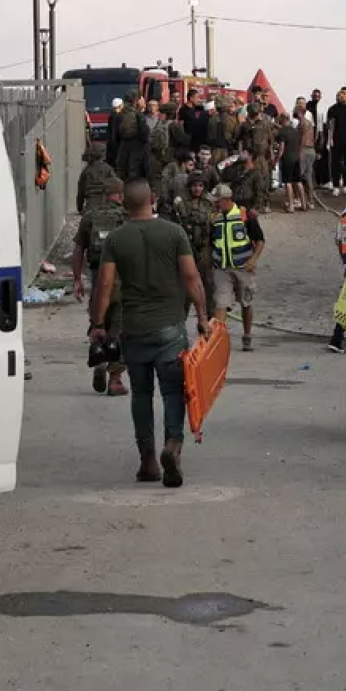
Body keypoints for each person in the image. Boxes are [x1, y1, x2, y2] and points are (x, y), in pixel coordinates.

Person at [91, 178, 209, 488]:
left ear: (124, 204)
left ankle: (147, 461)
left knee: (141, 395)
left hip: (134, 331)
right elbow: (191, 277)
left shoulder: (116, 240)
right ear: (152, 200)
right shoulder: (174, 233)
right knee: (173, 391)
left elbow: (104, 286)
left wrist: (98, 324)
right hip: (170, 330)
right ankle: (173, 446)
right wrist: (203, 317)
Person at [72, 177, 129, 396]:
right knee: (120, 330)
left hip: (98, 282)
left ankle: (99, 362)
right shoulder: (125, 217)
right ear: (120, 195)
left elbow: (79, 250)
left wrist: (77, 279)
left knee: (98, 324)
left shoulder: (89, 217)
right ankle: (115, 379)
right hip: (122, 282)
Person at [210, 184, 266, 352]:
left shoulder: (244, 215)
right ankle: (218, 342)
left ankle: (247, 336)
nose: (215, 204)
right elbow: (210, 243)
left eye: (218, 201)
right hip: (222, 268)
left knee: (246, 302)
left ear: (226, 200)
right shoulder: (214, 218)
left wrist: (253, 259)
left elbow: (260, 240)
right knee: (220, 303)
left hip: (243, 268)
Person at [175, 170, 215, 313]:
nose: (197, 189)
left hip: (204, 249)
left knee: (208, 286)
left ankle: (210, 320)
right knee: (185, 287)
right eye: (194, 186)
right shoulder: (180, 203)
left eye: (200, 185)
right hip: (186, 249)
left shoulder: (209, 202)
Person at [328, 193, 346, 353]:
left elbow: (338, 241)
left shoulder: (344, 219)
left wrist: (345, 263)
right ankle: (336, 339)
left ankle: (336, 339)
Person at [238, 104, 273, 213]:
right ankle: (253, 204)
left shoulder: (265, 124)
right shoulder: (244, 125)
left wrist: (271, 154)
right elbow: (240, 140)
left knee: (264, 180)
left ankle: (265, 203)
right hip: (249, 157)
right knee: (249, 180)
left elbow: (270, 141)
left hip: (261, 157)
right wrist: (241, 154)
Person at [327, 87, 346, 197]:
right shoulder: (333, 109)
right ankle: (336, 186)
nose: (341, 95)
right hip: (336, 141)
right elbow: (330, 126)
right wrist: (330, 139)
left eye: (344, 93)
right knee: (335, 164)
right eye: (340, 93)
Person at [276, 112, 307, 212]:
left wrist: (277, 159)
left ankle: (291, 206)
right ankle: (304, 204)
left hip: (287, 159)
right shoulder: (295, 131)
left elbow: (281, 149)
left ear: (282, 119)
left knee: (288, 182)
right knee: (298, 181)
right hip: (296, 158)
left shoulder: (282, 132)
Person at [114, 90, 148, 180]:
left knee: (121, 171)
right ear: (136, 101)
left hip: (123, 147)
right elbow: (144, 134)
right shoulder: (139, 114)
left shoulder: (119, 114)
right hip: (137, 146)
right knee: (135, 171)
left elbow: (116, 136)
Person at [76, 143, 116, 214]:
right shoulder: (108, 169)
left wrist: (80, 208)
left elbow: (80, 192)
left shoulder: (86, 171)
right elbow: (116, 186)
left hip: (90, 206)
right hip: (106, 205)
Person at [106, 97, 124, 168]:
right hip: (120, 147)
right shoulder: (121, 117)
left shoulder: (111, 116)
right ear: (120, 106)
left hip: (111, 148)